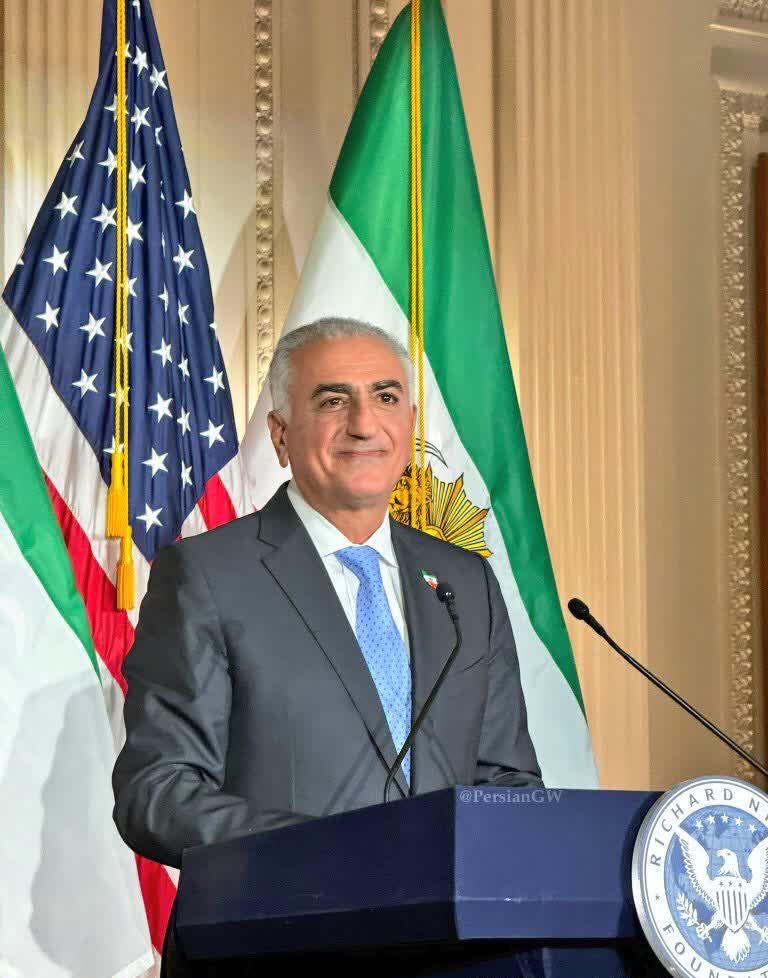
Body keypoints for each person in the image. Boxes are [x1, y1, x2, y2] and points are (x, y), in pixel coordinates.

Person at [112, 317, 542, 975]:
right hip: (276, 950)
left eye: (386, 397)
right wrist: (330, 850)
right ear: (281, 435)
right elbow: (158, 791)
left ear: (410, 424)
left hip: (451, 958)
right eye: (333, 400)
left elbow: (507, 780)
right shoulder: (207, 575)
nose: (364, 424)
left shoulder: (463, 581)